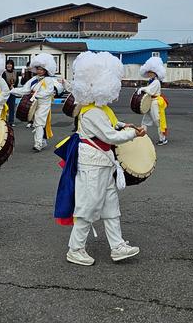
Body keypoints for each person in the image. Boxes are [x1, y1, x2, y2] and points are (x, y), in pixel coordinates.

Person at [54, 51, 143, 266]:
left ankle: (117, 246)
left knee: (111, 208)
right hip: (93, 164)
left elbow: (112, 124)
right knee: (87, 208)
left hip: (103, 163)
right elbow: (110, 135)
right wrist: (133, 133)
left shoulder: (99, 109)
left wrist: (124, 126)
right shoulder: (92, 111)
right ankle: (75, 249)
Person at [10, 54, 57, 151]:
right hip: (33, 104)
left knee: (39, 123)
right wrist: (12, 91)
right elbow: (24, 90)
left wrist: (35, 94)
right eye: (38, 68)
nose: (39, 70)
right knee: (37, 123)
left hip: (44, 104)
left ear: (45, 70)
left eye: (41, 69)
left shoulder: (48, 80)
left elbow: (48, 92)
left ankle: (38, 144)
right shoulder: (33, 79)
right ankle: (43, 141)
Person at [137, 56, 168, 146]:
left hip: (155, 103)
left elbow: (150, 91)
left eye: (151, 72)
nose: (149, 74)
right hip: (150, 102)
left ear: (156, 73)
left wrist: (143, 89)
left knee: (157, 121)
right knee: (144, 121)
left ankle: (163, 139)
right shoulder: (151, 81)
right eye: (149, 72)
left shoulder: (156, 82)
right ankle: (142, 137)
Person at [2, 59, 19, 126]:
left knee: (12, 107)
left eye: (10, 64)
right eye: (8, 64)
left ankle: (11, 121)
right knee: (4, 106)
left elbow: (17, 81)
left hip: (13, 92)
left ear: (12, 65)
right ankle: (4, 120)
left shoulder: (15, 72)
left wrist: (14, 87)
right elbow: (3, 82)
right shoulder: (4, 73)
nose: (9, 65)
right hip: (5, 92)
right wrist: (9, 86)